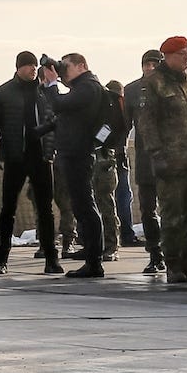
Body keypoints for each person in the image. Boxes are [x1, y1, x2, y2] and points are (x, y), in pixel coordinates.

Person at [137, 36, 187, 283]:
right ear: (168, 56)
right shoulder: (153, 84)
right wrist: (156, 154)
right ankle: (173, 263)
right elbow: (146, 123)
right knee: (172, 215)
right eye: (182, 54)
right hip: (172, 162)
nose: (186, 58)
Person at [0, 52, 60, 275]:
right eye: (27, 66)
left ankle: (51, 258)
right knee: (8, 209)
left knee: (46, 210)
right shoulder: (3, 92)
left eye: (34, 66)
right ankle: (1, 259)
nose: (32, 69)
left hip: (42, 157)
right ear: (18, 68)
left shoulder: (44, 91)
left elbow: (58, 118)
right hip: (16, 157)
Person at [45, 53, 108, 278]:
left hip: (79, 154)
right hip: (74, 152)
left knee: (85, 206)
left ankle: (94, 261)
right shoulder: (83, 87)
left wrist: (52, 83)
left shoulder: (88, 87)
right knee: (82, 205)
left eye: (67, 67)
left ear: (82, 66)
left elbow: (59, 104)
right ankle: (92, 258)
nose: (63, 71)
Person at [127, 49, 166, 274]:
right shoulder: (133, 90)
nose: (149, 68)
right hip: (145, 159)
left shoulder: (169, 88)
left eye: (154, 64)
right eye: (146, 64)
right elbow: (123, 124)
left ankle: (174, 253)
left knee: (172, 210)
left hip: (170, 158)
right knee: (148, 209)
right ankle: (155, 253)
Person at [97, 81, 128, 261]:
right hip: (102, 158)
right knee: (102, 204)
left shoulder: (114, 113)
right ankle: (104, 244)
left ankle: (111, 245)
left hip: (106, 160)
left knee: (107, 204)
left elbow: (112, 131)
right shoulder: (106, 109)